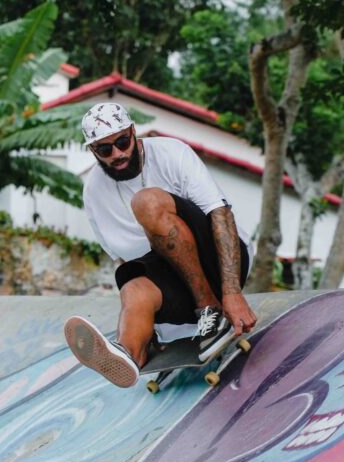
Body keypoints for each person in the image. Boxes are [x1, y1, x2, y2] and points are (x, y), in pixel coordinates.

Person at [64, 102, 257, 387]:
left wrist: (232, 292)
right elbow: (122, 261)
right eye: (105, 150)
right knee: (133, 287)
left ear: (133, 132)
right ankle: (128, 354)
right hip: (177, 281)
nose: (117, 154)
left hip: (221, 260)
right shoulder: (94, 191)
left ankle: (210, 309)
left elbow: (221, 214)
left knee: (146, 202)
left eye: (122, 142)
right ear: (94, 152)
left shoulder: (171, 153)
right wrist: (149, 326)